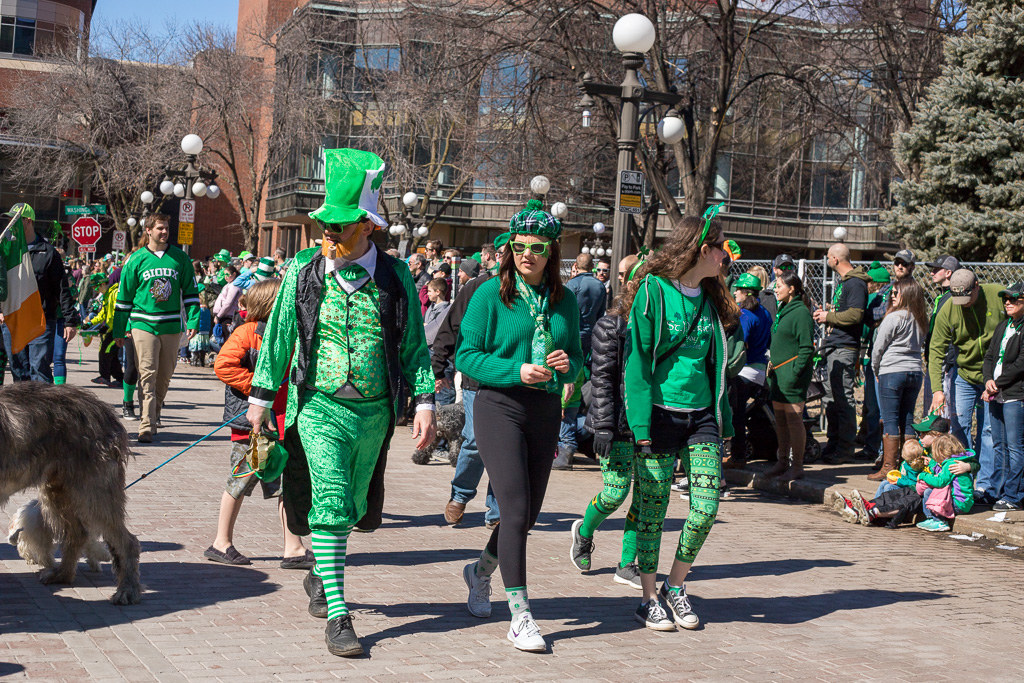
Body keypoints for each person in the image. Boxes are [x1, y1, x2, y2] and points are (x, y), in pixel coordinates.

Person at [245, 149, 436, 658]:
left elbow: (414, 346)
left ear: (368, 226)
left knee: (352, 507)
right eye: (324, 226)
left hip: (375, 414)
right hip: (319, 408)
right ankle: (338, 615)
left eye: (339, 227)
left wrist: (425, 402)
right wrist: (261, 397)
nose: (328, 235)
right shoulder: (304, 272)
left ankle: (321, 575)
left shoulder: (396, 277)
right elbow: (280, 336)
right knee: (329, 503)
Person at [457, 199, 583, 652]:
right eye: (519, 246)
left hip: (545, 410)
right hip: (499, 406)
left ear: (552, 252)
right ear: (509, 248)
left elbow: (579, 361)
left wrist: (568, 367)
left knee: (526, 516)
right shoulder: (490, 293)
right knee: (512, 510)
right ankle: (521, 615)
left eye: (537, 247)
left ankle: (479, 573)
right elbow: (466, 355)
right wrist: (516, 371)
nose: (527, 254)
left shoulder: (565, 300)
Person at [622, 206, 738, 632]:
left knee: (705, 509)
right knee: (652, 512)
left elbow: (716, 367)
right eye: (721, 248)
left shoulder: (709, 298)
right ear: (702, 249)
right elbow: (637, 363)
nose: (726, 256)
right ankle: (648, 598)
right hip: (658, 416)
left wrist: (724, 421)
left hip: (701, 418)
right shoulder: (654, 291)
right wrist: (639, 426)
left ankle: (675, 585)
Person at [207, 279, 312, 568]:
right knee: (241, 481)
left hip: (284, 423)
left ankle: (293, 548)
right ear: (271, 305)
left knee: (287, 485)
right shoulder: (246, 332)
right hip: (251, 425)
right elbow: (223, 366)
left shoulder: (290, 334)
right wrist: (261, 388)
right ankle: (221, 542)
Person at [569, 271, 642, 589]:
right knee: (615, 493)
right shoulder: (611, 325)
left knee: (647, 498)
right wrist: (604, 427)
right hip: (616, 424)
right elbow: (601, 380)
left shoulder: (663, 327)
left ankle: (627, 564)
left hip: (651, 425)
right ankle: (584, 532)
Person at [113, 214, 200, 443]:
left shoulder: (180, 258)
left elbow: (191, 293)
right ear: (148, 230)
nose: (164, 232)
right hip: (143, 323)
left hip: (171, 325)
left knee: (164, 377)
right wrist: (119, 329)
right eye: (160, 228)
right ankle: (145, 425)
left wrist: (193, 321)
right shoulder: (136, 260)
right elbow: (123, 299)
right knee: (147, 374)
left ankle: (154, 414)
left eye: (167, 228)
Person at [433, 240, 501, 528]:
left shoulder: (533, 292)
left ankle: (497, 511)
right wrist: (438, 367)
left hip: (514, 381)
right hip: (477, 378)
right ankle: (460, 494)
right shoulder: (477, 286)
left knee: (504, 445)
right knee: (474, 439)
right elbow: (451, 325)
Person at [928, 269, 1005, 505]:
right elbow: (936, 350)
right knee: (959, 425)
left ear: (977, 286)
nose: (963, 304)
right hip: (964, 374)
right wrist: (937, 390)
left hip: (993, 376)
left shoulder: (997, 296)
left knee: (988, 430)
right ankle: (962, 479)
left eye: (967, 298)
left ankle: (984, 484)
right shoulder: (949, 307)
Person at [1, 203, 79, 383]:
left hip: (41, 320)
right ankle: (23, 403)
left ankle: (43, 403)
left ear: (28, 222)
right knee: (18, 371)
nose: (9, 225)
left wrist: (70, 321)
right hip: (13, 320)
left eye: (14, 220)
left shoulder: (48, 252)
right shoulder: (6, 250)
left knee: (39, 370)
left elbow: (62, 289)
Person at [813, 243, 871, 464]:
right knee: (830, 398)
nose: (827, 260)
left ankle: (845, 449)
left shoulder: (855, 283)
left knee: (843, 398)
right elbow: (846, 311)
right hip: (834, 346)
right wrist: (830, 311)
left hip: (844, 348)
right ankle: (834, 443)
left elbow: (855, 315)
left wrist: (829, 317)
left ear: (835, 259)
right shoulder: (845, 282)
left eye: (828, 257)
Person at [868, 277, 928, 480]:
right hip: (914, 372)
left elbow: (878, 347)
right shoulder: (920, 318)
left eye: (896, 293)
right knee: (908, 418)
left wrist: (876, 369)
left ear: (907, 294)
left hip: (892, 371)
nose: (892, 296)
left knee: (890, 420)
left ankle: (888, 467)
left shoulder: (893, 317)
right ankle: (909, 466)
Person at [765, 272, 815, 480]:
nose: (775, 290)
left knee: (794, 421)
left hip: (791, 377)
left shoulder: (801, 313)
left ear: (791, 288)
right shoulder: (783, 309)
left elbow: (806, 348)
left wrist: (794, 373)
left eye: (779, 286)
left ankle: (797, 466)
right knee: (781, 421)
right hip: (778, 376)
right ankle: (782, 462)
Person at [982, 281, 1024, 511]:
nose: (1008, 303)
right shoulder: (1003, 325)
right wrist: (988, 379)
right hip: (996, 393)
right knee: (999, 445)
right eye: (1005, 299)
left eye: (1014, 299)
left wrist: (998, 383)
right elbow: (990, 356)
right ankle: (997, 491)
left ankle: (1014, 495)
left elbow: (1021, 364)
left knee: (1015, 447)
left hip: (1015, 395)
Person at [724, 273, 772, 468]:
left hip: (745, 370)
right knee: (740, 412)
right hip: (760, 371)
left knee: (737, 414)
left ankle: (737, 456)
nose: (735, 293)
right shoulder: (765, 312)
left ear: (745, 292)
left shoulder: (744, 315)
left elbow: (739, 347)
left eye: (737, 290)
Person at [856, 261, 891, 462]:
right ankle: (876, 447)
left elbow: (867, 323)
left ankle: (875, 448)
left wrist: (872, 321)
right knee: (875, 405)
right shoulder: (883, 296)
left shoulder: (877, 296)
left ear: (875, 282)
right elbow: (872, 320)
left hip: (875, 358)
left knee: (875, 405)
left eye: (868, 282)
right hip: (875, 356)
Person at [923, 254, 960, 413]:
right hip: (935, 361)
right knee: (932, 411)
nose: (932, 273)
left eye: (936, 269)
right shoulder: (942, 296)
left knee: (943, 412)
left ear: (948, 273)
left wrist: (949, 360)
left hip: (945, 363)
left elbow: (954, 332)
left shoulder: (954, 298)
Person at [565, 253, 607, 360]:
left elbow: (566, 311)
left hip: (574, 334)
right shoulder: (600, 285)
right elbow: (601, 313)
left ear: (575, 265)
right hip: (592, 334)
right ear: (592, 267)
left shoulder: (572, 284)